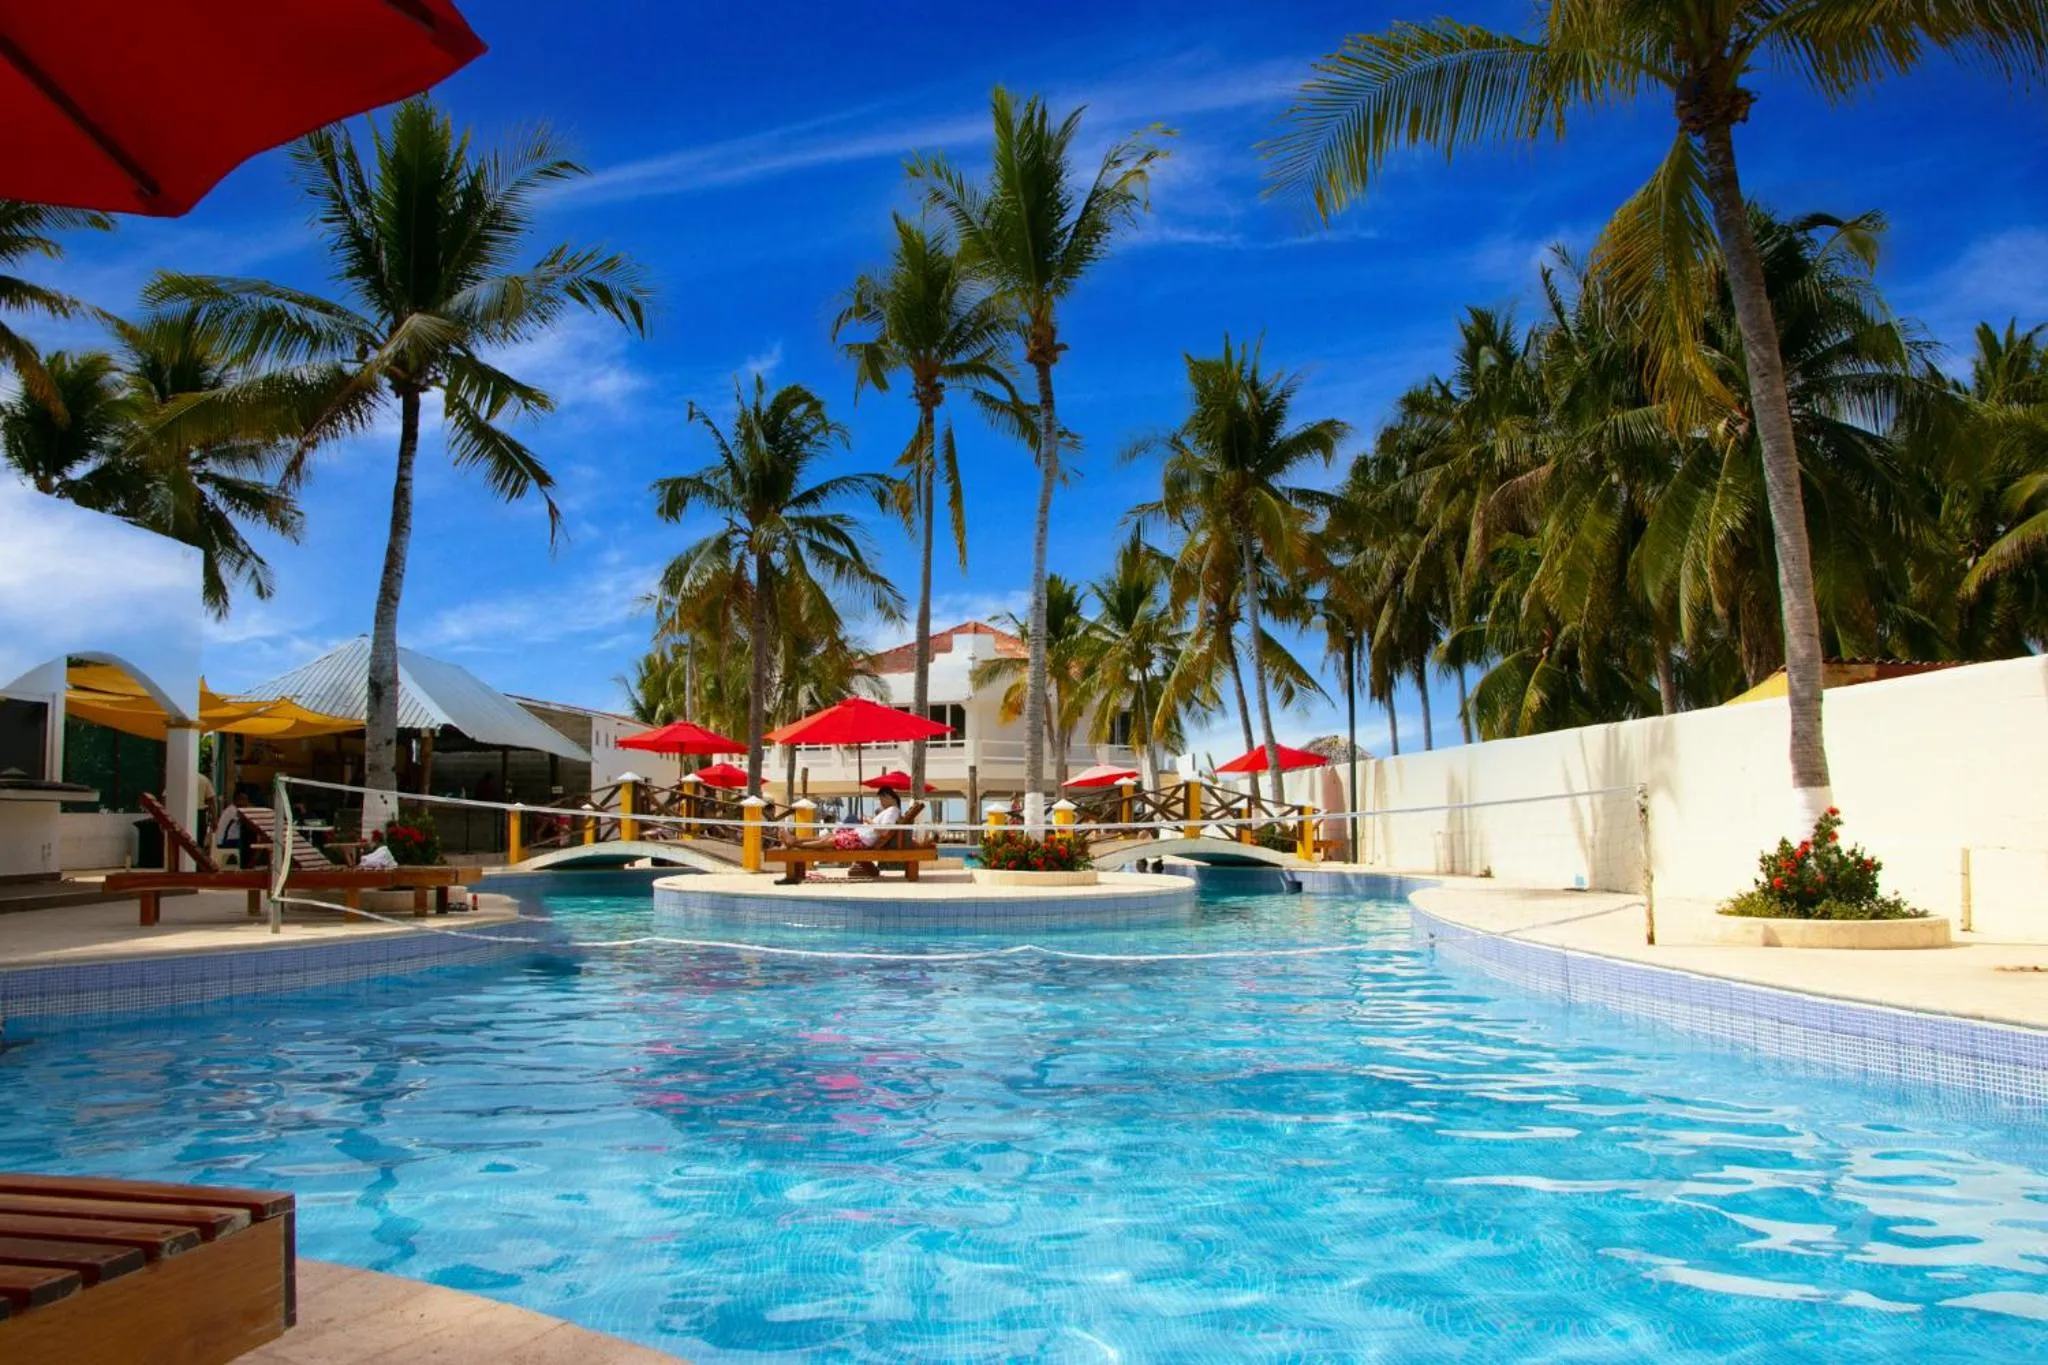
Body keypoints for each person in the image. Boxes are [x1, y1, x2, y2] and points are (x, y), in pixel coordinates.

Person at [778, 786, 904, 882]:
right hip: (858, 836)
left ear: (888, 797)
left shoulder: (892, 811)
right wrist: (870, 820)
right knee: (826, 837)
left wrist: (869, 820)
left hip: (860, 839)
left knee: (825, 842)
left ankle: (794, 843)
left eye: (881, 799)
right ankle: (795, 840)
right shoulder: (891, 810)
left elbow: (884, 831)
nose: (880, 802)